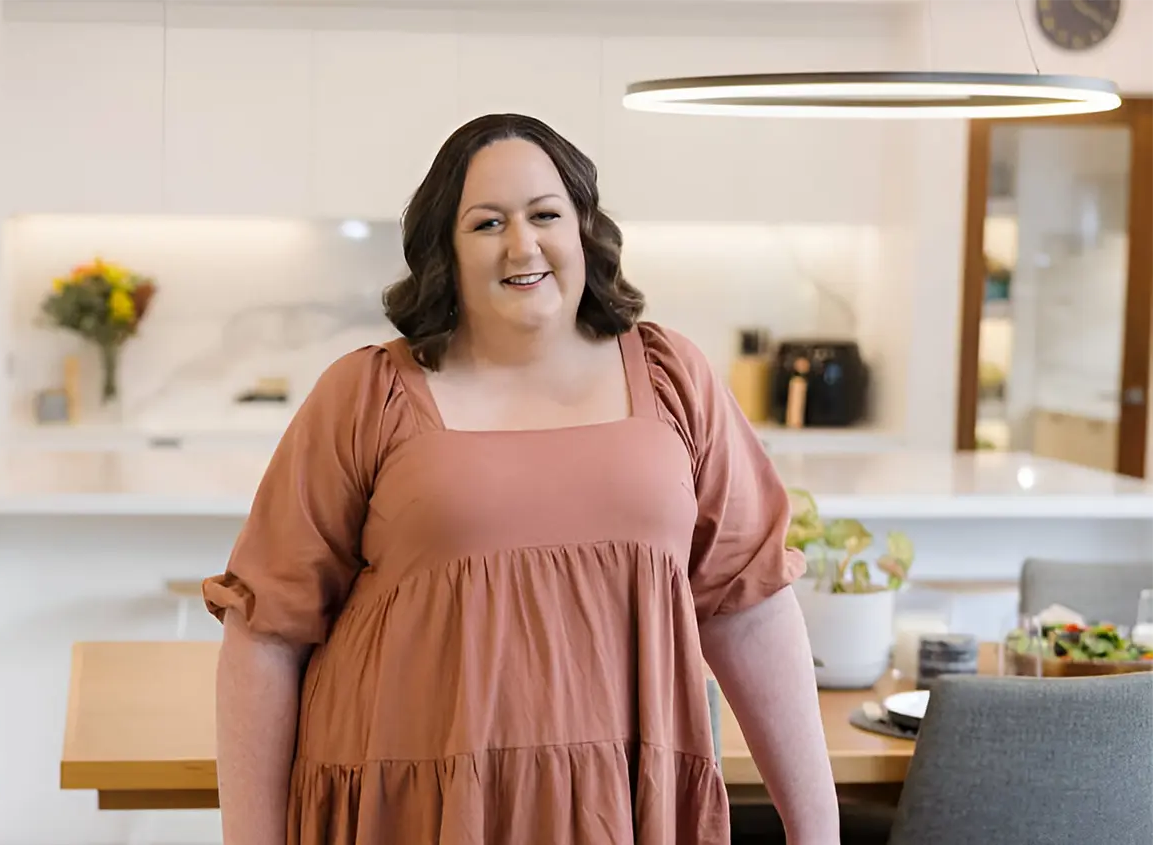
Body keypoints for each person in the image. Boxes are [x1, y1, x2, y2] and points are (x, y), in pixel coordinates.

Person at [202, 113, 839, 845]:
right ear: (446, 248)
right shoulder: (366, 394)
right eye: (486, 223)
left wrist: (815, 831)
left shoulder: (674, 377)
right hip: (409, 807)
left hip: (623, 805)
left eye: (545, 214)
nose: (522, 244)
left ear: (584, 229)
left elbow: (747, 607)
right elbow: (265, 636)